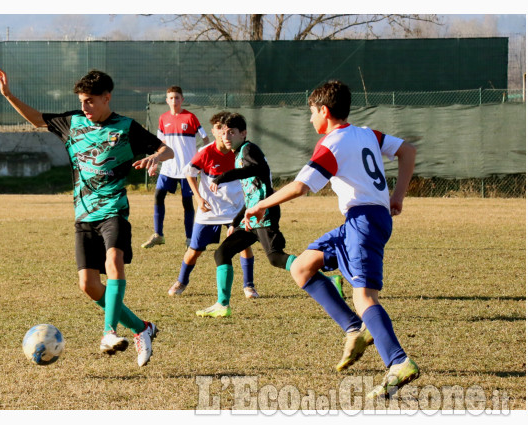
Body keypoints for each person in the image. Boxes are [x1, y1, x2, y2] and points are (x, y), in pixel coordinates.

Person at [244, 80, 419, 400]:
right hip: (361, 220)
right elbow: (408, 150)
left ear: (324, 111)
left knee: (364, 296)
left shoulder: (332, 144)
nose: (310, 119)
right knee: (303, 268)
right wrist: (397, 196)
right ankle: (355, 329)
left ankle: (399, 362)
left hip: (363, 224)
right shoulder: (366, 134)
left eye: (311, 112)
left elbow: (300, 187)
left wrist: (259, 204)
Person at [0, 68, 174, 367]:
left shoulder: (126, 127)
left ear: (106, 98)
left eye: (90, 101)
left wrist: (155, 157)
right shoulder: (73, 122)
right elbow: (38, 119)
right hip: (84, 215)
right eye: (82, 101)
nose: (85, 107)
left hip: (113, 210)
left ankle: (108, 333)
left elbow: (168, 151)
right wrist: (9, 95)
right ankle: (143, 328)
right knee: (88, 285)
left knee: (113, 261)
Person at [195, 113, 298, 318]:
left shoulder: (248, 149)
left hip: (264, 212)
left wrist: (223, 176)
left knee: (276, 258)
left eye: (232, 132)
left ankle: (327, 280)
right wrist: (235, 221)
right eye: (224, 132)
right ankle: (222, 305)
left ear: (243, 133)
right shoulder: (239, 153)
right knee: (222, 253)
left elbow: (256, 169)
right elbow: (251, 193)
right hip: (251, 213)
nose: (226, 136)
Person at [168, 111, 259, 299]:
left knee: (244, 246)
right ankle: (182, 281)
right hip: (209, 211)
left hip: (236, 210)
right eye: (219, 128)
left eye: (227, 129)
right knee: (194, 250)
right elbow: (189, 173)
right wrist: (199, 198)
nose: (223, 133)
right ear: (214, 131)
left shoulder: (241, 152)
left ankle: (249, 286)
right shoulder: (206, 152)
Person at [141, 86, 210, 249]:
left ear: (182, 100)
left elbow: (206, 139)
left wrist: (201, 161)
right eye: (171, 98)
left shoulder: (191, 117)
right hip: (168, 168)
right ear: (167, 100)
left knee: (187, 202)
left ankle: (189, 239)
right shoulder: (163, 118)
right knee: (158, 196)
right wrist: (155, 163)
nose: (174, 100)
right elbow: (160, 145)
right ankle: (158, 235)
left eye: (177, 97)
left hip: (187, 170)